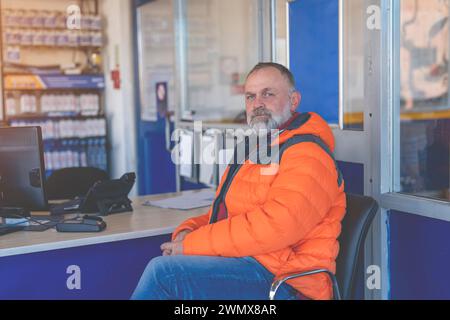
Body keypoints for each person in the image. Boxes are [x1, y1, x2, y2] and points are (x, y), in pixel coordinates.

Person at [131, 62, 346, 300]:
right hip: (251, 264)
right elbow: (227, 214)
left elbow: (276, 226)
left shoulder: (307, 154)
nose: (257, 104)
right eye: (250, 96)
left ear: (294, 101)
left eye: (268, 94)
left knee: (164, 275)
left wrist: (192, 246)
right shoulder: (256, 149)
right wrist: (189, 230)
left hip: (286, 282)